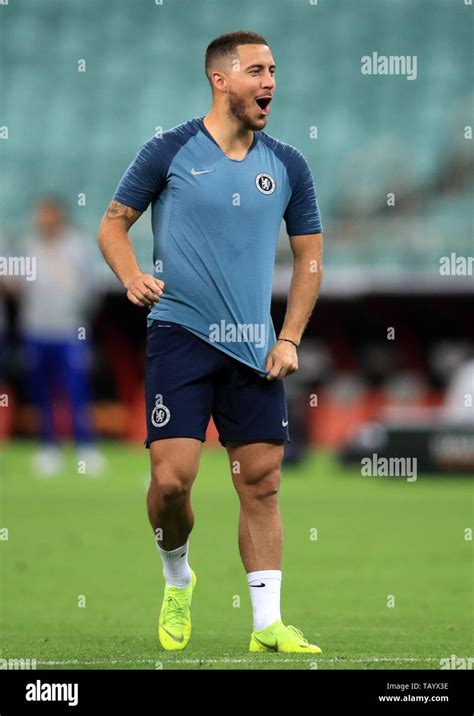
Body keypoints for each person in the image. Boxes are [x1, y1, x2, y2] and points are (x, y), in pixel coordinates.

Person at [98, 31, 324, 654]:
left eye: (274, 69)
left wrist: (290, 336)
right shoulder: (168, 150)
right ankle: (178, 577)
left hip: (254, 345)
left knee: (262, 481)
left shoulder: (288, 165)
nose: (270, 81)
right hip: (179, 335)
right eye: (257, 70)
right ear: (220, 80)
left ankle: (267, 626)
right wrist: (131, 276)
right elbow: (113, 223)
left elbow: (310, 259)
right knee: (172, 481)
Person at [19, 196, 104, 476]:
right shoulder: (28, 247)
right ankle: (49, 447)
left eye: (48, 214)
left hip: (70, 331)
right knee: (42, 392)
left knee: (76, 390)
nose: (43, 220)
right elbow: (19, 288)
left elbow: (91, 290)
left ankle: (86, 447)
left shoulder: (77, 248)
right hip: (36, 331)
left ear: (59, 216)